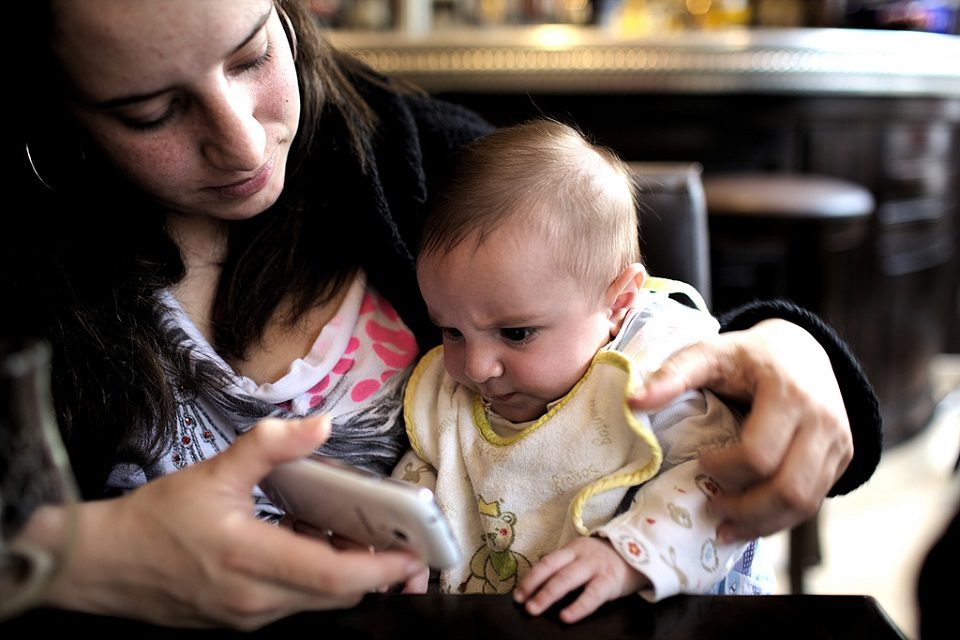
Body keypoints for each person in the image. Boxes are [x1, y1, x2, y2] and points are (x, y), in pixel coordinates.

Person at [6, 0, 880, 630]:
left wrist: (790, 348)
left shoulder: (421, 163)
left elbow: (637, 333)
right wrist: (69, 563)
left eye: (249, 58)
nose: (241, 142)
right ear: (56, 106)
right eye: (149, 110)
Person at [394, 119, 772, 622]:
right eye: (451, 331)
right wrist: (404, 532)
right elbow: (431, 473)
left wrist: (627, 556)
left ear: (618, 303)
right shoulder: (452, 389)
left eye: (516, 333)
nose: (477, 368)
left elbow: (718, 483)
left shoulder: (657, 372)